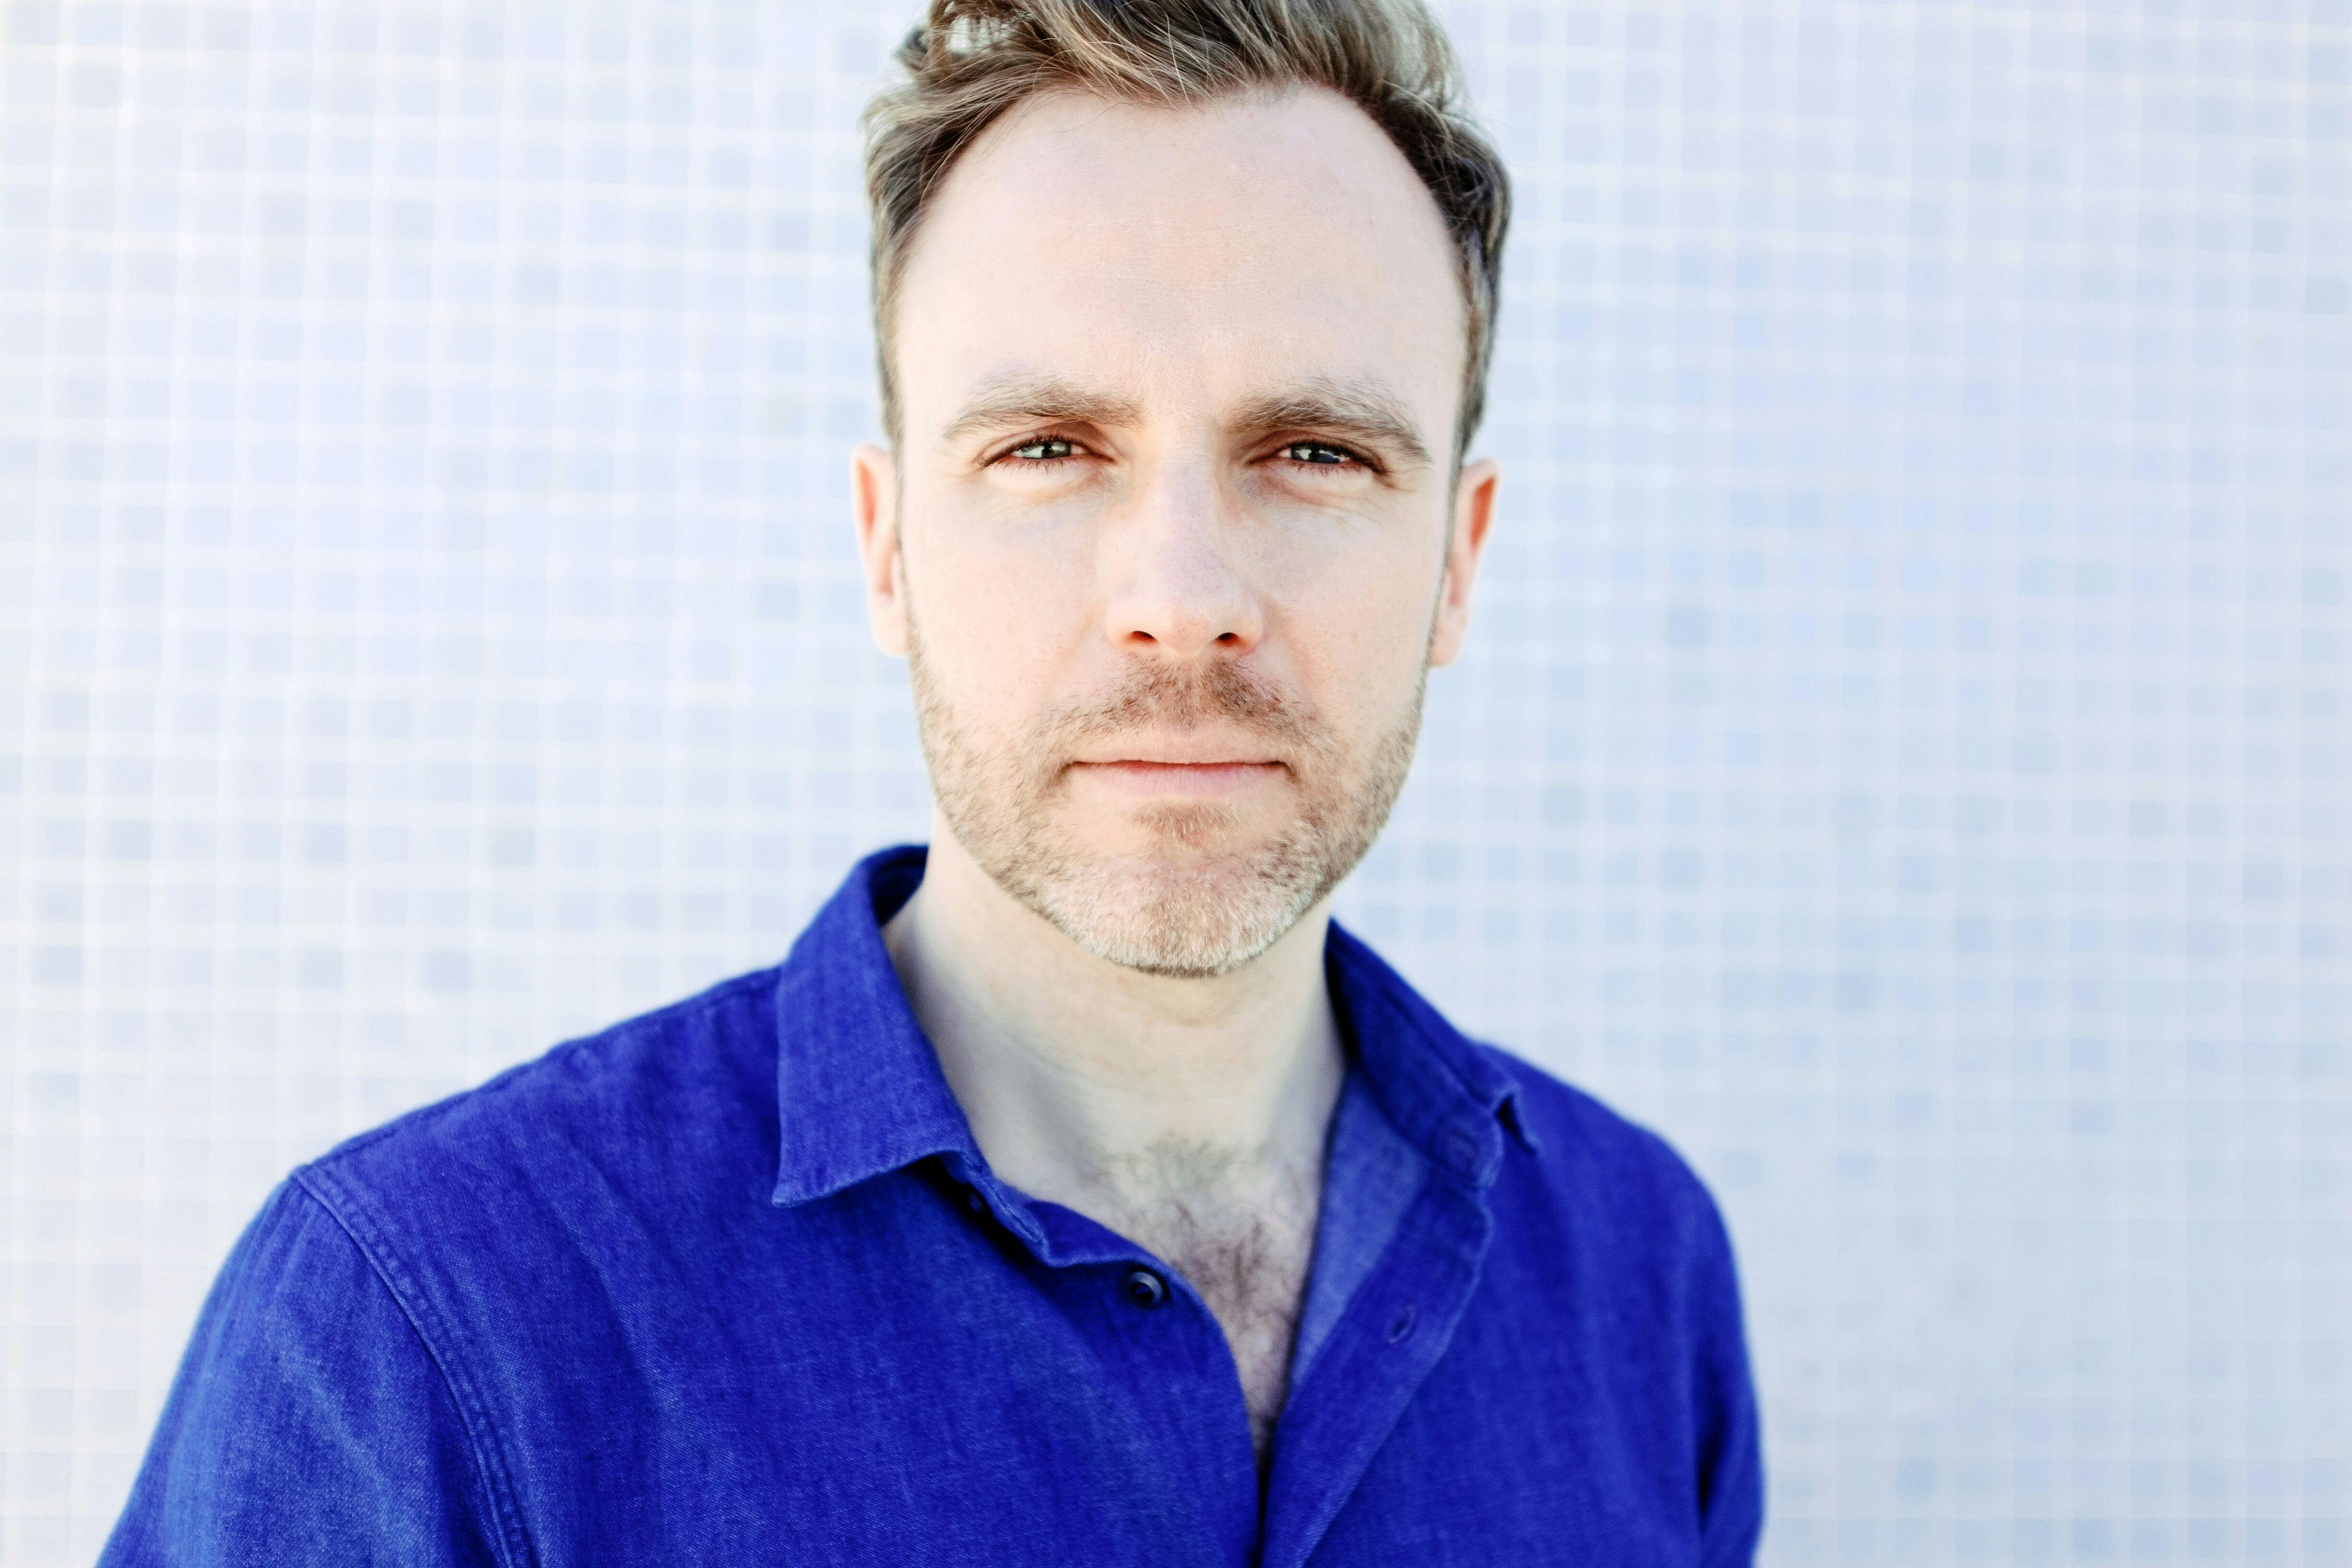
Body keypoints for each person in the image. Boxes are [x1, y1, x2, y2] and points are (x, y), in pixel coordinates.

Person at [101, 1, 1763, 1562]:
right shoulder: (420, 1331)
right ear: (888, 546)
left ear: (1458, 561)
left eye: (1314, 453)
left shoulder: (1640, 1272)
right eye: (1048, 449)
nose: (1182, 595)